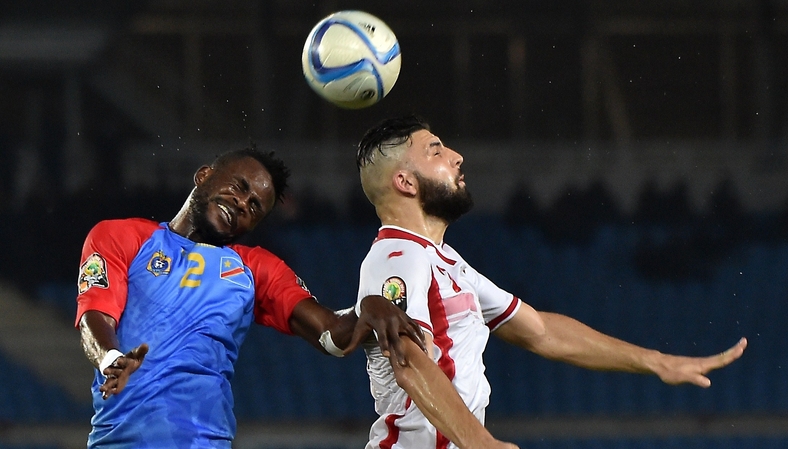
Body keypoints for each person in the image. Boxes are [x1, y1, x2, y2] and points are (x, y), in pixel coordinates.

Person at [75, 147, 515, 448]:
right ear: (204, 176)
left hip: (205, 440)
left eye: (255, 206)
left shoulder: (255, 269)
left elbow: (331, 333)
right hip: (117, 439)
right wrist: (110, 356)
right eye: (238, 186)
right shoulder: (121, 236)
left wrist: (367, 307)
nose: (243, 203)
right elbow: (96, 315)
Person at [354, 115, 748, 449]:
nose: (456, 156)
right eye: (435, 151)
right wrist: (481, 443)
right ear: (405, 182)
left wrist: (655, 361)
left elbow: (541, 331)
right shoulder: (397, 256)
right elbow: (409, 361)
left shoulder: (446, 261)